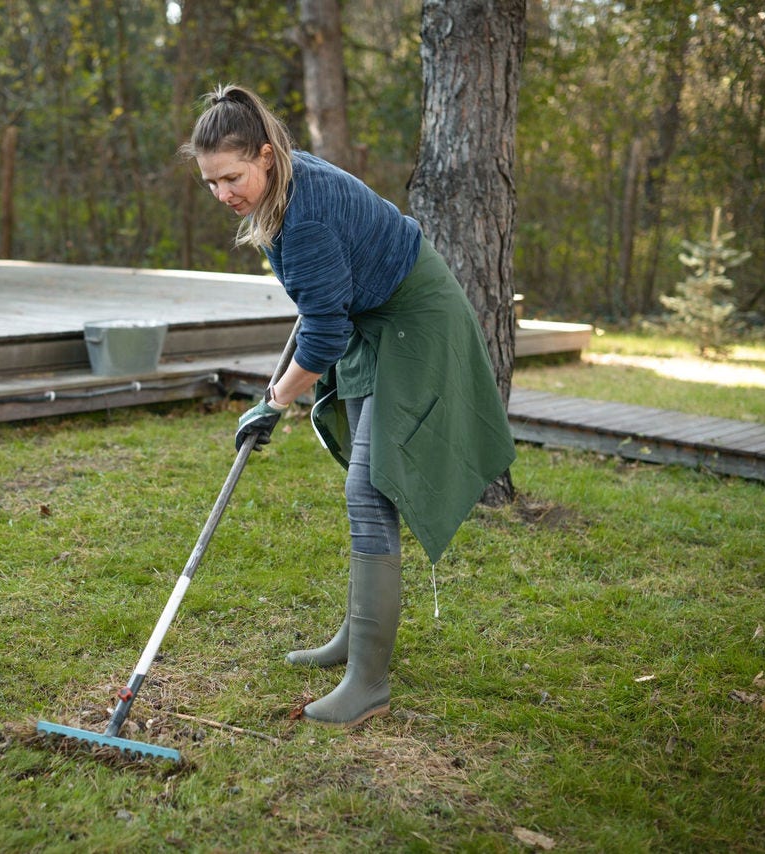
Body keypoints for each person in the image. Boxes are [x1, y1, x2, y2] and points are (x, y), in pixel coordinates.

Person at [181, 84, 516, 728]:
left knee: (372, 490)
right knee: (364, 489)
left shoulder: (302, 216)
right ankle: (353, 639)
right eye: (211, 183)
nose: (223, 194)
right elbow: (323, 310)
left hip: (414, 322)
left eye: (232, 177)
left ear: (265, 155)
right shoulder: (289, 186)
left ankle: (369, 681)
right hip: (375, 318)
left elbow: (325, 334)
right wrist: (281, 386)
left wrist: (274, 401)